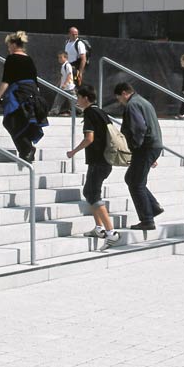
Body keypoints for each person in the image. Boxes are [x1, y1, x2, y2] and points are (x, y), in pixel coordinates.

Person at [67, 84, 120, 248]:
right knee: (89, 192)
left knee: (93, 193)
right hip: (103, 160)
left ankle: (112, 233)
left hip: (99, 161)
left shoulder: (90, 113)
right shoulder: (101, 112)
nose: (77, 100)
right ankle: (99, 228)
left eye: (78, 97)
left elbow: (89, 138)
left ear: (85, 98)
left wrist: (74, 151)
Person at [0, 31, 48, 163]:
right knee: (26, 121)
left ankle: (27, 149)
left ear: (13, 44)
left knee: (10, 121)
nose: (8, 47)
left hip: (18, 93)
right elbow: (35, 80)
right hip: (32, 93)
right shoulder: (28, 59)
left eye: (8, 45)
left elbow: (6, 80)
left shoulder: (11, 59)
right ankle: (26, 151)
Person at [115, 82, 164, 232]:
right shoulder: (144, 102)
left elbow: (140, 127)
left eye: (119, 98)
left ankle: (147, 220)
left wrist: (136, 146)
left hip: (145, 148)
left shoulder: (133, 104)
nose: (119, 102)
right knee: (132, 178)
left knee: (136, 182)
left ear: (124, 93)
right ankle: (153, 207)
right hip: (152, 146)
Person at [52, 50, 75, 115]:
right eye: (58, 57)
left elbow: (69, 75)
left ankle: (81, 111)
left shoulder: (67, 65)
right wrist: (59, 84)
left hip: (69, 88)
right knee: (58, 101)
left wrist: (65, 84)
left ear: (65, 58)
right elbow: (62, 77)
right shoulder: (63, 66)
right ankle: (54, 111)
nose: (59, 59)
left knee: (74, 102)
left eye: (61, 57)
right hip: (62, 88)